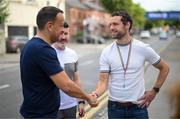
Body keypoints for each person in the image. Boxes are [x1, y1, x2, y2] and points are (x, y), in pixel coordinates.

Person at [20, 6, 97, 118]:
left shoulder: (30, 45)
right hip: (42, 115)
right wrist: (88, 97)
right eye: (60, 25)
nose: (62, 30)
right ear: (50, 26)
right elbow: (66, 85)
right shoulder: (43, 50)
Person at [91, 11, 169, 119]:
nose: (111, 28)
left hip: (138, 108)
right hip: (114, 109)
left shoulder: (142, 48)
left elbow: (164, 68)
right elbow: (103, 82)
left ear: (127, 25)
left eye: (115, 24)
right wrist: (95, 94)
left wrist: (154, 91)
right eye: (110, 24)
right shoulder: (106, 51)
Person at [52, 22, 85, 118]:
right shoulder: (48, 52)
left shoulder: (72, 54)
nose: (63, 37)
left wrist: (81, 101)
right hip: (52, 107)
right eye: (60, 33)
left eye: (66, 34)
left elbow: (76, 80)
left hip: (71, 106)